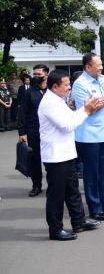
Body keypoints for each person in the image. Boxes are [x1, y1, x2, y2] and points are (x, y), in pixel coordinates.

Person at [37, 69, 103, 241]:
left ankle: (79, 221)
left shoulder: (58, 100)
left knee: (72, 190)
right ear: (55, 86)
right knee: (56, 195)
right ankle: (55, 229)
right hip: (56, 156)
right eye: (65, 85)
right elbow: (67, 125)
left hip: (65, 153)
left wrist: (84, 109)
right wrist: (86, 111)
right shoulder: (50, 103)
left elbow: (72, 116)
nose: (69, 88)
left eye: (69, 84)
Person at [72, 52, 104, 221]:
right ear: (87, 67)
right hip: (89, 135)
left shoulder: (102, 79)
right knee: (91, 173)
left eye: (102, 64)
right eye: (98, 65)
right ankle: (94, 207)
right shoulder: (80, 84)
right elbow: (90, 109)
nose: (101, 68)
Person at [18, 64, 50, 197]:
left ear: (46, 74)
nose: (36, 76)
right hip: (33, 131)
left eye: (39, 74)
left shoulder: (52, 91)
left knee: (51, 160)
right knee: (35, 160)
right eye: (34, 74)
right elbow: (22, 113)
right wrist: (22, 133)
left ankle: (53, 186)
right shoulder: (28, 92)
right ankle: (36, 185)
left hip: (50, 132)